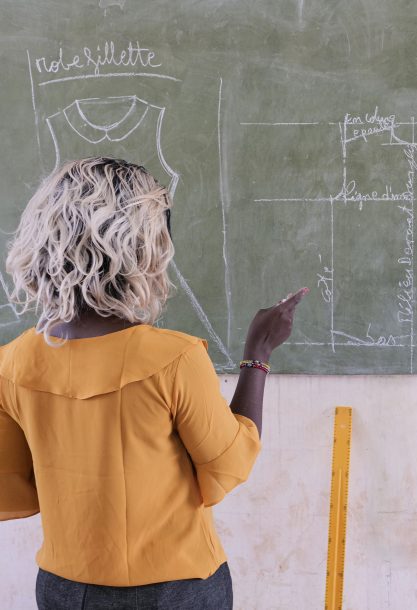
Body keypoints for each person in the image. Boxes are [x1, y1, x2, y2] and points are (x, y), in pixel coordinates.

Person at [0, 157, 308, 609]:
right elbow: (227, 469)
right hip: (176, 588)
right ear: (140, 246)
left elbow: (14, 490)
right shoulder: (172, 358)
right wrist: (256, 355)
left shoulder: (12, 363)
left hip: (65, 588)